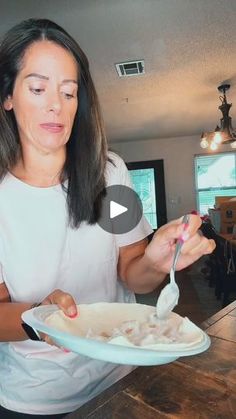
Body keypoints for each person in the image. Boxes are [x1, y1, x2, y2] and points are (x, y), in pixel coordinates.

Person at [0, 18, 215, 418]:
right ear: (7, 96)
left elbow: (132, 272)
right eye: (37, 88)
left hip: (120, 376)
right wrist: (39, 319)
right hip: (37, 396)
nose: (56, 105)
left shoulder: (110, 174)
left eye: (69, 92)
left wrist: (155, 259)